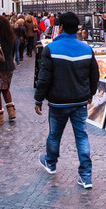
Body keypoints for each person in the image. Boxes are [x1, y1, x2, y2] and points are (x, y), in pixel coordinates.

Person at [35, 12, 99, 189]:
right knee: (81, 137)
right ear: (77, 28)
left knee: (55, 135)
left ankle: (51, 162)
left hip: (58, 101)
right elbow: (95, 75)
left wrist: (38, 99)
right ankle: (86, 176)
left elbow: (44, 77)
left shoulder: (51, 49)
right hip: (79, 101)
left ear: (60, 27)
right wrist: (90, 94)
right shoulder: (86, 49)